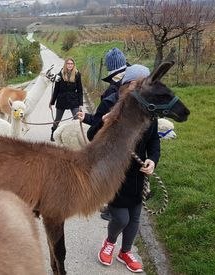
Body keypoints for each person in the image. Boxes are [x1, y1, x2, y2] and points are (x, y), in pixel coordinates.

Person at [91, 64, 160, 273]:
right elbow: (91, 136)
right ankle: (110, 242)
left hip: (137, 174)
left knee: (135, 217)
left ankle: (125, 251)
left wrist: (153, 161)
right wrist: (103, 125)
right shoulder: (109, 105)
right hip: (113, 174)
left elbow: (154, 141)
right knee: (121, 217)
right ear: (128, 85)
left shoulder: (149, 112)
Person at [78, 47, 129, 220]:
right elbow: (100, 119)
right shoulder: (136, 87)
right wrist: (86, 117)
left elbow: (97, 128)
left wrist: (92, 131)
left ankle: (113, 209)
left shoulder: (111, 96)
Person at [79, 47, 128, 126]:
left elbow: (100, 120)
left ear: (109, 66)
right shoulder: (133, 81)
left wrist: (86, 118)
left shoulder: (113, 88)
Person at [49, 57, 83, 141]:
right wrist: (52, 102)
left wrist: (81, 104)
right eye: (68, 63)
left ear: (73, 65)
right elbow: (56, 90)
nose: (70, 65)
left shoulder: (77, 74)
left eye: (71, 64)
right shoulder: (59, 75)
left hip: (73, 99)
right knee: (57, 119)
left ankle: (76, 136)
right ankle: (53, 133)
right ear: (65, 64)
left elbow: (80, 90)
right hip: (62, 99)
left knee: (77, 119)